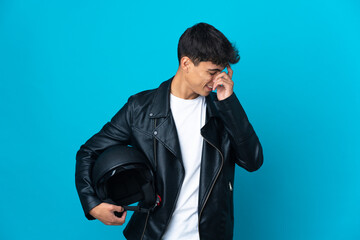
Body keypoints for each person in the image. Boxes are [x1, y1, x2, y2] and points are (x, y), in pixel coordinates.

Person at [75, 22, 263, 240]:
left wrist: (229, 104)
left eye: (221, 72)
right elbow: (89, 151)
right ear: (186, 63)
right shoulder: (141, 109)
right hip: (154, 234)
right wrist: (92, 204)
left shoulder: (222, 111)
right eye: (211, 72)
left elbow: (253, 161)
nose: (216, 81)